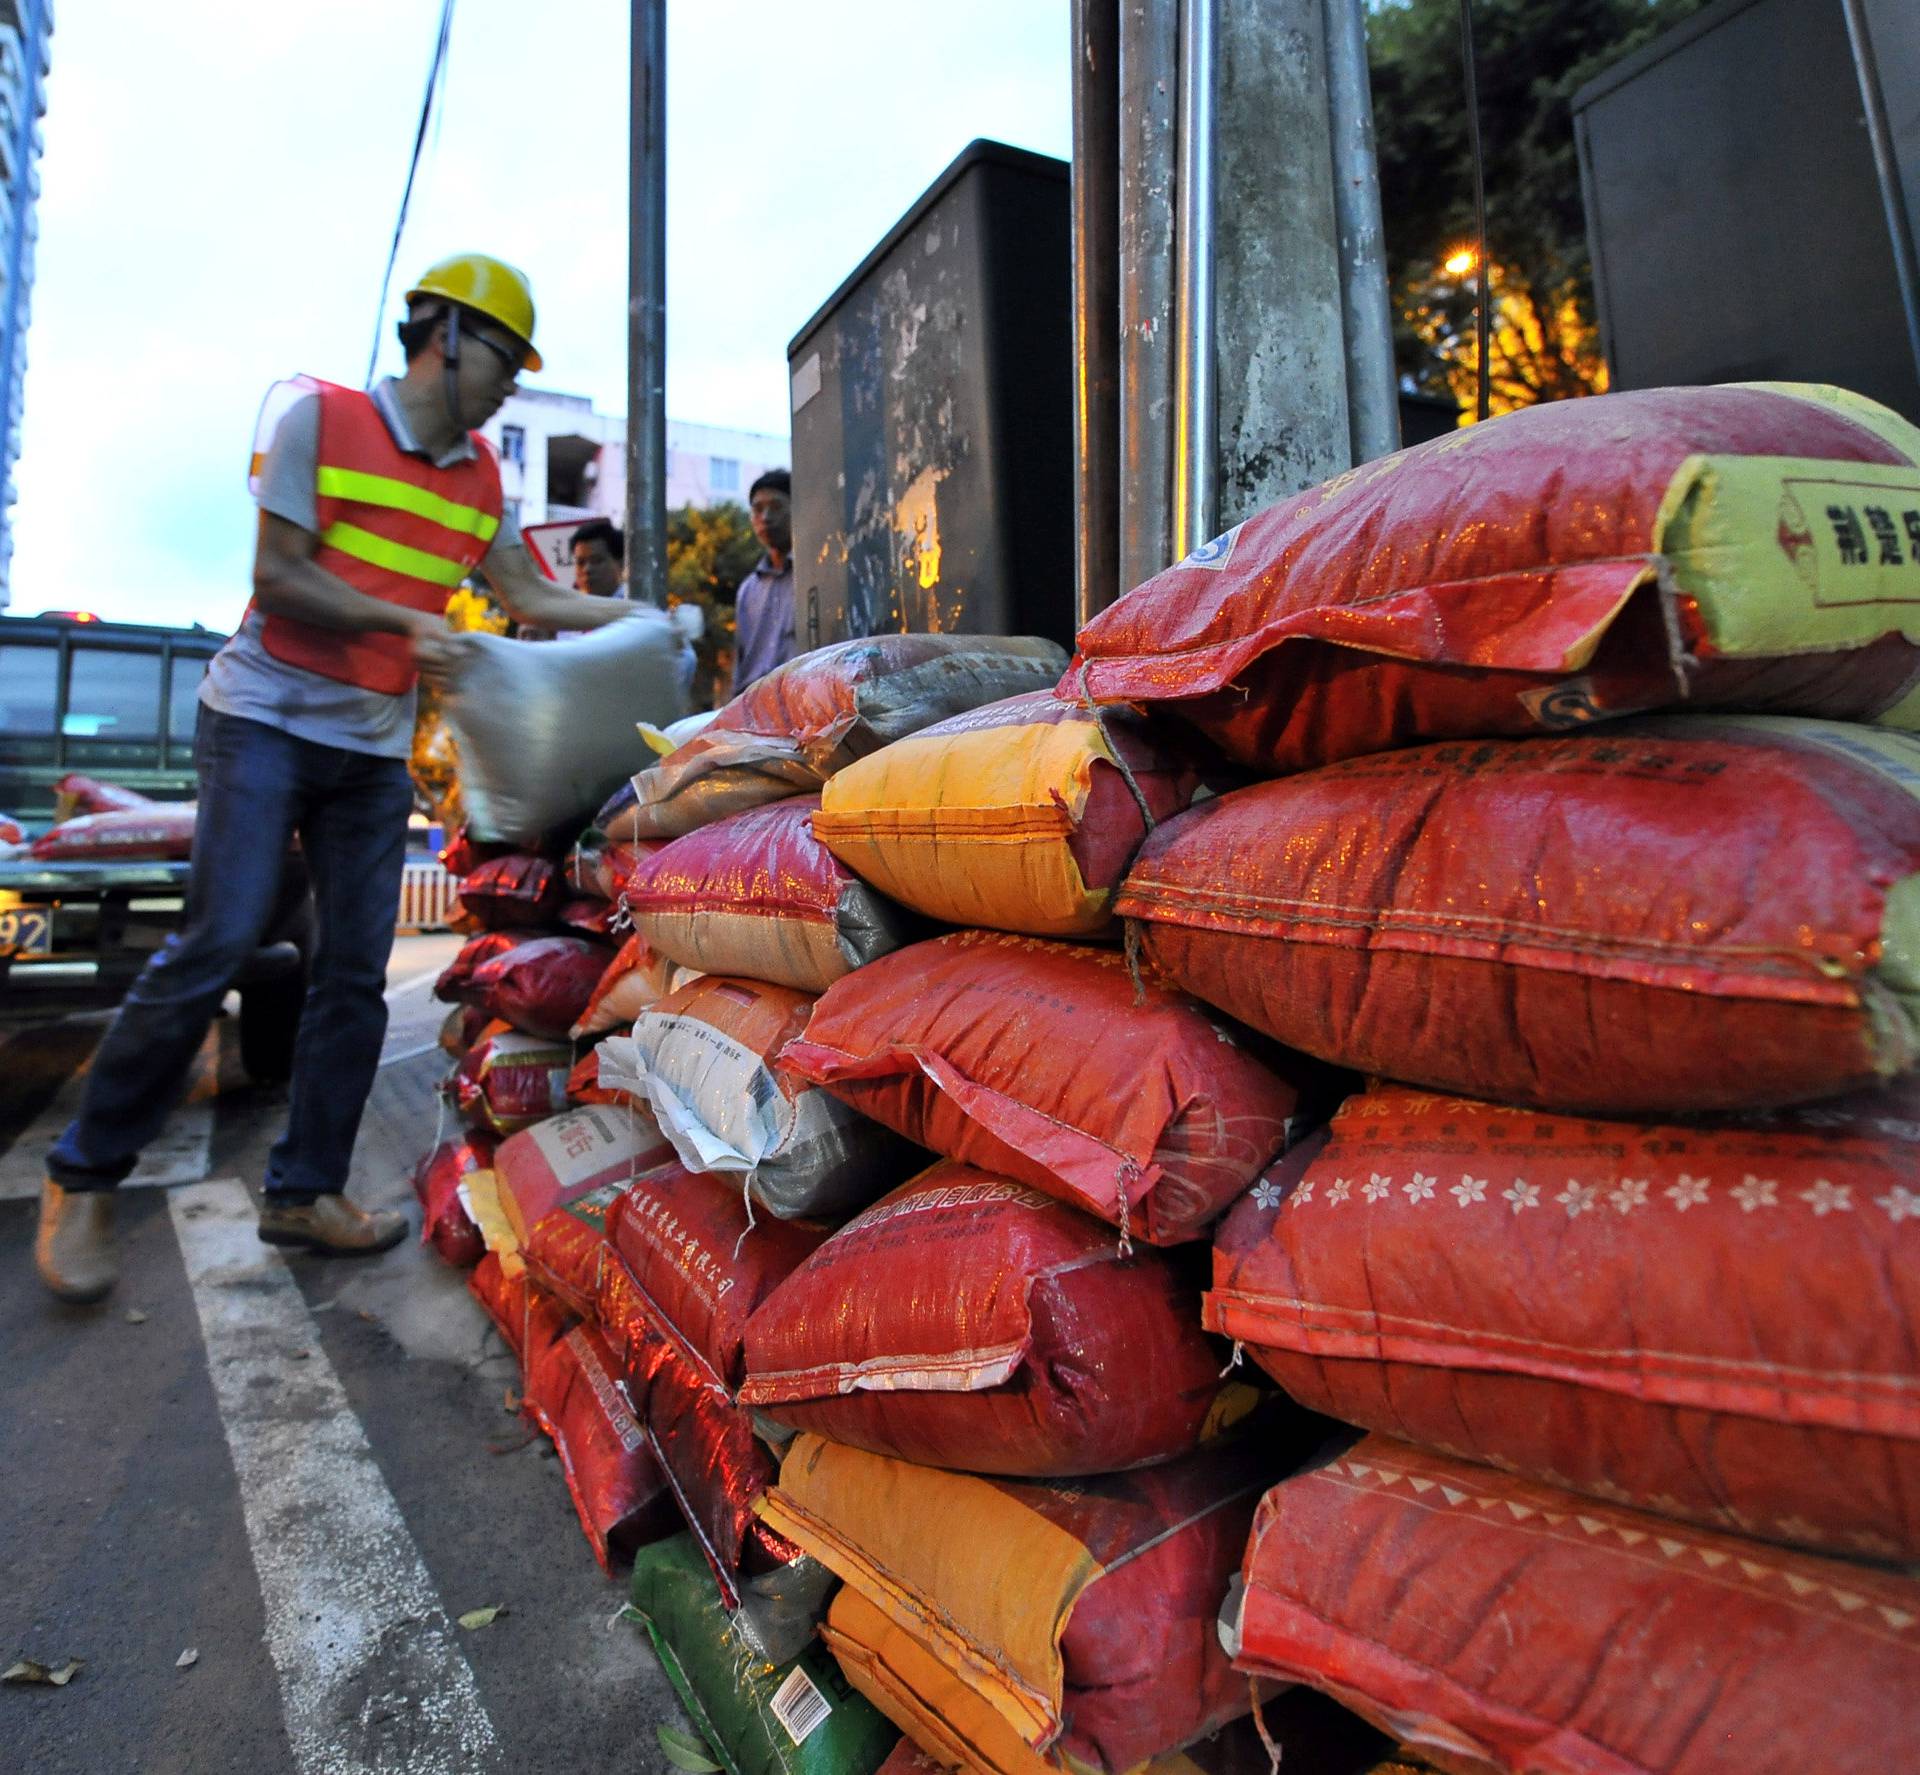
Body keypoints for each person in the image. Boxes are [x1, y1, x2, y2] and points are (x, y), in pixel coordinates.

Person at [35, 252, 634, 1304]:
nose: (510, 381)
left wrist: (638, 620)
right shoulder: (325, 421)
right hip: (263, 716)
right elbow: (277, 575)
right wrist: (406, 622)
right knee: (222, 936)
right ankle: (82, 1171)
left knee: (352, 974)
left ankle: (304, 1191)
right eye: (504, 356)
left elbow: (528, 594)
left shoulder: (482, 477)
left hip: (368, 749)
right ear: (445, 335)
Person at [732, 468, 794, 690]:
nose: (766, 518)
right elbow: (741, 663)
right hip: (756, 707)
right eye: (758, 509)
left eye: (776, 507)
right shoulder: (748, 590)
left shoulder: (813, 578)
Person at [569, 518, 627, 600]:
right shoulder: (571, 609)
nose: (587, 569)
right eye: (580, 562)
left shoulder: (635, 608)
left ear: (620, 564)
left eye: (596, 560)